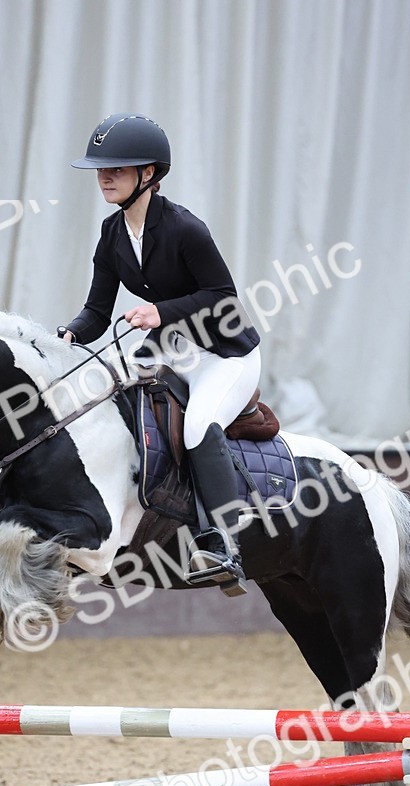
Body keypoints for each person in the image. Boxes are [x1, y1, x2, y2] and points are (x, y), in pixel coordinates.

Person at [59, 112, 261, 596]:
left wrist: (160, 311)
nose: (105, 177)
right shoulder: (112, 235)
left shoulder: (186, 230)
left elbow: (223, 297)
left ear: (148, 174)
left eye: (118, 169)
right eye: (101, 170)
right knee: (111, 407)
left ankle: (222, 543)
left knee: (196, 428)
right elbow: (96, 310)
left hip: (223, 355)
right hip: (171, 350)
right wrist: (66, 335)